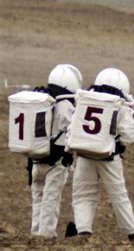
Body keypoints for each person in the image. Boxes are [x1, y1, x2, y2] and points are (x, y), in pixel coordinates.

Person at [68, 68, 134, 241]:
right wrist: (119, 142)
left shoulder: (84, 101)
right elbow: (130, 135)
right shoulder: (118, 105)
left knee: (83, 194)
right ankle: (131, 234)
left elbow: (72, 128)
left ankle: (83, 232)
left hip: (84, 155)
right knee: (118, 195)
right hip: (108, 157)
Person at [30, 64, 82, 237]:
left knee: (37, 196)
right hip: (56, 161)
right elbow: (70, 130)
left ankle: (35, 233)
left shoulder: (40, 100)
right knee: (51, 197)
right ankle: (46, 235)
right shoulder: (66, 105)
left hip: (36, 158)